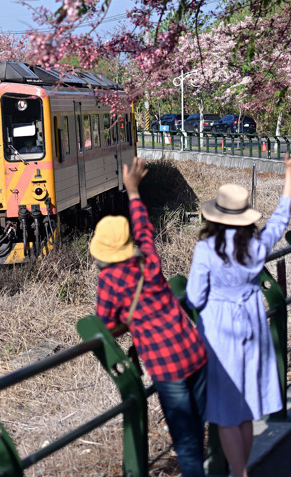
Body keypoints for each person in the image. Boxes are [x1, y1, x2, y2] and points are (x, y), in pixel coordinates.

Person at [186, 145, 291, 477]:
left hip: (218, 331)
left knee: (225, 411)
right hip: (253, 323)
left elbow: (195, 298)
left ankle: (239, 472)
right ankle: (243, 468)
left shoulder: (206, 249)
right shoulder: (256, 247)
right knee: (244, 410)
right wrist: (288, 173)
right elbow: (281, 218)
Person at [92, 158, 208, 477]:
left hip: (166, 365)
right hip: (194, 350)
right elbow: (144, 226)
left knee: (184, 442)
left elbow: (103, 325)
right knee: (197, 429)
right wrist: (132, 190)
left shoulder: (110, 282)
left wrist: (128, 322)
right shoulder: (148, 261)